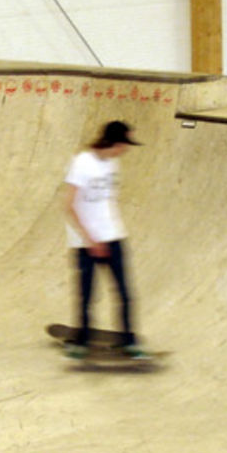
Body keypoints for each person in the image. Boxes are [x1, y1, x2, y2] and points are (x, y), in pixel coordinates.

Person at [61, 120, 149, 359]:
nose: (126, 149)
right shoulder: (82, 163)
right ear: (114, 141)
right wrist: (91, 240)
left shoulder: (113, 164)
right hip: (86, 243)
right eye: (124, 144)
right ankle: (81, 342)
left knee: (124, 292)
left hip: (113, 237)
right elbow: (69, 206)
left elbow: (105, 203)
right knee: (87, 295)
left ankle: (128, 341)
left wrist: (110, 233)